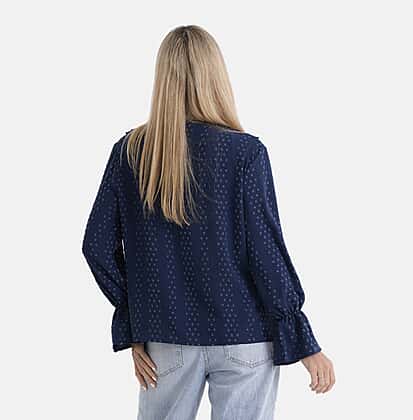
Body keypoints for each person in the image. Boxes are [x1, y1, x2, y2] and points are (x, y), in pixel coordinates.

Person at [82, 24, 335, 420]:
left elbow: (97, 246)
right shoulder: (245, 153)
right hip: (244, 334)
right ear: (216, 76)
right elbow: (265, 252)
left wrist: (135, 321)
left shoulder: (130, 153)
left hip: (165, 338)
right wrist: (303, 339)